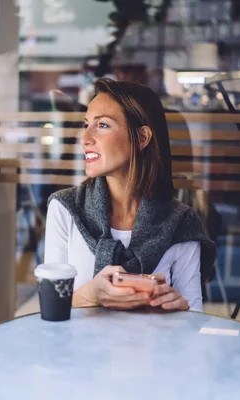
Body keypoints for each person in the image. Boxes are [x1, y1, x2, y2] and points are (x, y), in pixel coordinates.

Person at [43, 78, 216, 312]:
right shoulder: (65, 209)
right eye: (86, 125)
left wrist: (180, 310)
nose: (85, 139)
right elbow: (50, 310)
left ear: (142, 138)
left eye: (102, 125)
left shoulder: (181, 222)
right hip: (79, 348)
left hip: (153, 347)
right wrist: (91, 295)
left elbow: (193, 317)